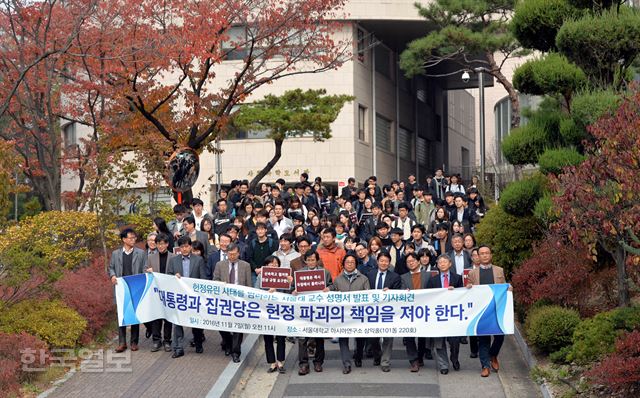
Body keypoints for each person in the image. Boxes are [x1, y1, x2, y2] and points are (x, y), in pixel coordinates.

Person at [466, 245, 509, 377]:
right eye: (482, 253)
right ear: (477, 257)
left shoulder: (499, 270)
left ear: (491, 255)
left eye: (487, 253)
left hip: (496, 309)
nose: (484, 255)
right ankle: (485, 365)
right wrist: (468, 287)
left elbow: (504, 287)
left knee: (500, 336)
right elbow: (468, 292)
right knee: (483, 339)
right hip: (481, 311)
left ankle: (493, 355)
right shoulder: (473, 273)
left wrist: (509, 288)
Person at [166, 236, 207, 358]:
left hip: (194, 297)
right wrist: (174, 277)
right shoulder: (173, 261)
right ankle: (178, 347)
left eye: (187, 246)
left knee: (196, 322)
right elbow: (168, 276)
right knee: (177, 322)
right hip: (180, 297)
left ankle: (198, 342)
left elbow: (203, 278)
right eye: (182, 247)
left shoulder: (198, 260)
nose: (184, 249)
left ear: (190, 247)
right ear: (179, 248)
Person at [109, 228, 148, 353]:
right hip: (121, 289)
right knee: (121, 315)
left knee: (134, 314)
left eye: (134, 238)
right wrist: (112, 276)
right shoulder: (116, 254)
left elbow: (144, 268)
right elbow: (110, 268)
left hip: (135, 287)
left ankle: (134, 342)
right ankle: (122, 342)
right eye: (130, 238)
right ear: (124, 239)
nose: (133, 240)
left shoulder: (140, 253)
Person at [293, 250, 332, 375]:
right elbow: (292, 288)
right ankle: (303, 364)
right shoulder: (299, 273)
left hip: (319, 309)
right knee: (302, 338)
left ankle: (318, 362)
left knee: (319, 338)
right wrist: (294, 291)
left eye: (313, 260)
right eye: (308, 260)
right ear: (305, 261)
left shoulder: (325, 273)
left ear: (317, 260)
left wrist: (328, 288)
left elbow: (332, 285)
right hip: (304, 310)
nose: (310, 262)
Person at [331, 253, 370, 374]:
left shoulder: (363, 279)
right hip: (343, 315)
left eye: (352, 262)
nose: (349, 264)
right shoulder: (337, 279)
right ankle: (346, 363)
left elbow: (368, 297)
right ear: (343, 264)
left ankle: (358, 356)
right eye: (347, 262)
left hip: (358, 314)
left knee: (360, 338)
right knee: (343, 339)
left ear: (356, 264)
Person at [213, 243, 252, 362]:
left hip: (239, 302)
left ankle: (236, 352)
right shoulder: (220, 265)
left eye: (234, 254)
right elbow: (215, 280)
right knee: (222, 325)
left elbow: (248, 285)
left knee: (237, 328)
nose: (232, 257)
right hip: (224, 300)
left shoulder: (245, 266)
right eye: (230, 254)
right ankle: (228, 343)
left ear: (238, 253)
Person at [425, 254, 464, 374]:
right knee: (439, 341)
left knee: (454, 341)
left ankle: (454, 358)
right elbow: (428, 296)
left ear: (450, 264)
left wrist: (456, 292)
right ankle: (443, 365)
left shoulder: (457, 278)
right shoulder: (432, 280)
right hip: (438, 314)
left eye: (444, 262)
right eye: (440, 262)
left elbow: (463, 296)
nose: (442, 264)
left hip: (452, 314)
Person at [366, 252, 402, 372]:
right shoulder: (370, 275)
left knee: (388, 337)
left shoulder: (395, 277)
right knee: (373, 337)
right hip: (373, 311)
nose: (383, 263)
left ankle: (385, 362)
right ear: (377, 262)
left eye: (386, 261)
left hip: (388, 311)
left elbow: (398, 294)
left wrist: (391, 291)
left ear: (389, 263)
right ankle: (377, 356)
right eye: (381, 260)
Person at [256, 256, 293, 374]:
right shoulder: (260, 277)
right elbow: (255, 292)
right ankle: (272, 363)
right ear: (266, 266)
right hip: (266, 311)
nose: (273, 266)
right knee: (268, 338)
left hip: (280, 310)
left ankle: (280, 361)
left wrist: (289, 282)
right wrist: (267, 293)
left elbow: (289, 293)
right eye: (270, 264)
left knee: (281, 337)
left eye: (276, 263)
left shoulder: (284, 276)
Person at [146, 233, 175, 352]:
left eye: (163, 244)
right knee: (156, 316)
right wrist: (148, 271)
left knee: (168, 317)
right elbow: (145, 270)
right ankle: (156, 340)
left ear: (167, 244)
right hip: (155, 292)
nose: (160, 246)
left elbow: (176, 272)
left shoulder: (173, 257)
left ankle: (167, 340)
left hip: (168, 291)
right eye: (158, 244)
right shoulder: (151, 257)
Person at [400, 252, 429, 372]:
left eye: (412, 261)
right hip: (409, 311)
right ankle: (413, 360)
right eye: (408, 262)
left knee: (422, 336)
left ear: (418, 261)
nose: (410, 263)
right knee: (409, 336)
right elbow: (400, 291)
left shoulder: (427, 276)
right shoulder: (403, 277)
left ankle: (420, 357)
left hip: (423, 310)